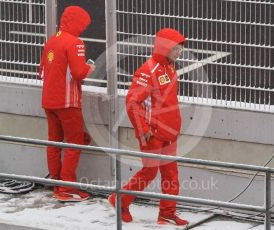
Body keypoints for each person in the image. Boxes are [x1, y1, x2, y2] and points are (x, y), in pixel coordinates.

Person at [108, 28, 189, 226]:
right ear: (165, 48)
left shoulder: (170, 67)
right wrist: (143, 130)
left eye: (181, 49)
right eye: (176, 48)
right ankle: (119, 201)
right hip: (152, 135)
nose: (180, 53)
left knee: (171, 175)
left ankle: (167, 214)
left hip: (169, 133)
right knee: (149, 173)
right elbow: (132, 102)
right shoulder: (148, 70)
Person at [39, 6, 95, 202]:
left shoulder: (51, 40)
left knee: (53, 144)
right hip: (68, 103)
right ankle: (67, 188)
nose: (84, 29)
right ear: (77, 23)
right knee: (74, 143)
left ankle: (56, 185)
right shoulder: (76, 43)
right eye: (83, 25)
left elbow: (42, 72)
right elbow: (80, 73)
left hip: (48, 101)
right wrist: (91, 68)